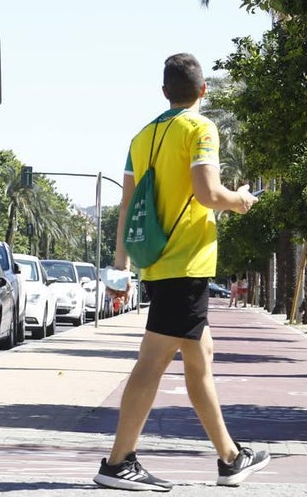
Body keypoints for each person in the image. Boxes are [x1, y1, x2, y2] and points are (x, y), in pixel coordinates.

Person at [94, 53, 270, 491]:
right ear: (203, 91)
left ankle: (231, 458)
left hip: (158, 262)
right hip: (187, 262)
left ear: (165, 92)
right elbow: (208, 193)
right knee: (151, 362)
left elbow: (128, 204)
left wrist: (122, 265)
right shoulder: (200, 128)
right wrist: (240, 200)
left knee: (200, 357)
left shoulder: (142, 136)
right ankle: (118, 462)